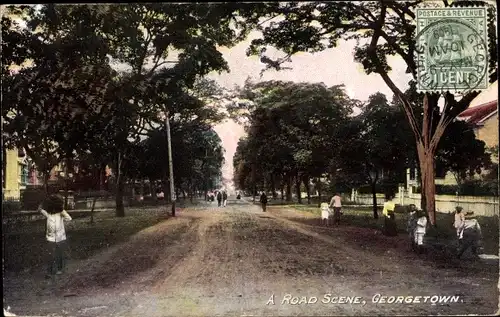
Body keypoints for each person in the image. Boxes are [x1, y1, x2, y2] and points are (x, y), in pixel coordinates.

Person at [39, 194, 72, 278]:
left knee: (59, 254)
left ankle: (59, 269)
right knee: (50, 255)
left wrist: (62, 219)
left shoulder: (61, 212)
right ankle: (49, 272)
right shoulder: (48, 214)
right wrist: (42, 203)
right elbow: (40, 209)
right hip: (50, 237)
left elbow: (69, 218)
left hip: (60, 237)